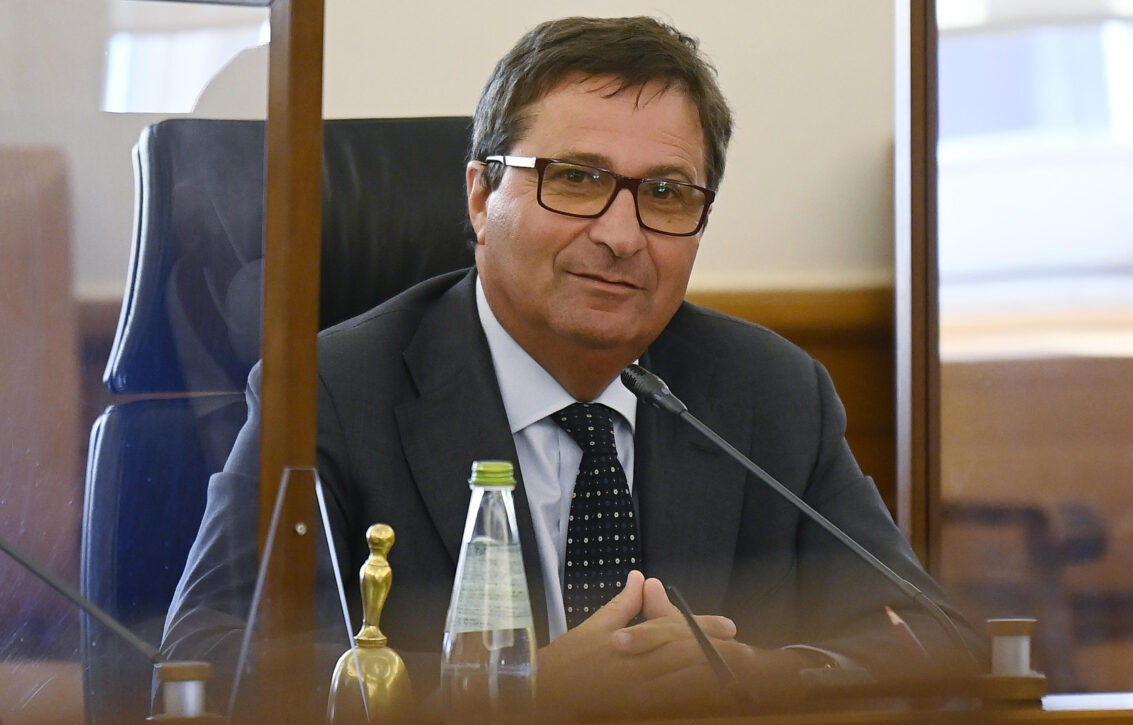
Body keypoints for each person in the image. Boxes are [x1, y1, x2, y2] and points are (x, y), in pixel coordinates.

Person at [164, 15, 982, 721]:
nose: (621, 236)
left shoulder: (769, 393)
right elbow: (204, 652)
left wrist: (757, 677)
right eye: (578, 180)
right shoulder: (335, 392)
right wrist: (509, 693)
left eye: (666, 193)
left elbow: (935, 640)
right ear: (481, 197)